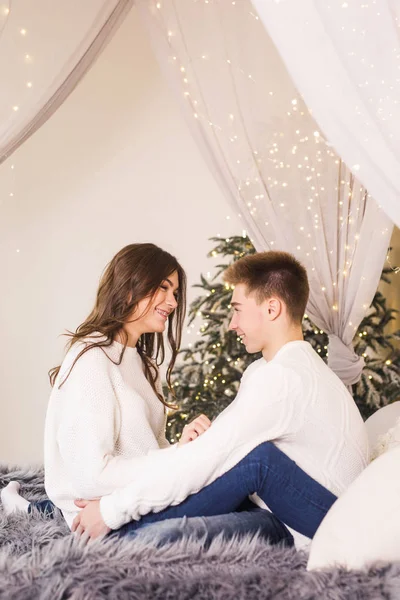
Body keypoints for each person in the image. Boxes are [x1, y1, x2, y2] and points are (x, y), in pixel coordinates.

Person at [2, 242, 322, 548]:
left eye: (175, 292)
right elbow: (90, 476)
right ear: (130, 285)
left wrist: (180, 447)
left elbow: (146, 448)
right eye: (164, 288)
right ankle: (36, 509)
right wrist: (177, 460)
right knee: (253, 523)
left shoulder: (142, 363)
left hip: (137, 498)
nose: (172, 302)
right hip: (99, 512)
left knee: (247, 506)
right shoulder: (91, 360)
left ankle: (39, 507)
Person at [65, 250, 369, 547]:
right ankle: (73, 512)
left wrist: (112, 511)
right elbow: (215, 450)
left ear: (272, 309)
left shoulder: (285, 377)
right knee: (223, 475)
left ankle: (111, 522)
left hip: (317, 521)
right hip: (279, 507)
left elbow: (211, 457)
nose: (231, 324)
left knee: (147, 539)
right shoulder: (274, 368)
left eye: (237, 309)